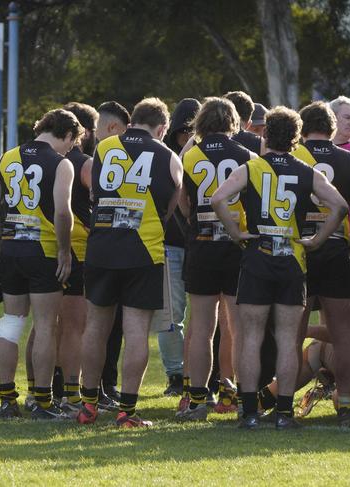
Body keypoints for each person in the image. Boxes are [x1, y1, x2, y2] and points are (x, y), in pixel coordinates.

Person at [211, 106, 348, 430]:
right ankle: (284, 413)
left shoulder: (252, 167)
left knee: (251, 336)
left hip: (258, 255)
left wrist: (235, 232)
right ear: (295, 138)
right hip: (291, 259)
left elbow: (218, 198)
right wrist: (316, 239)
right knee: (289, 339)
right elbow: (340, 205)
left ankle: (248, 412)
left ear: (267, 135)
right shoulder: (306, 170)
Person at [77, 97, 183, 428]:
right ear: (162, 128)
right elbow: (172, 207)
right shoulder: (168, 155)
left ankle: (88, 406)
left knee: (95, 327)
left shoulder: (105, 148)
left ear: (133, 120)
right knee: (136, 331)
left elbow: (94, 194)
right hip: (144, 250)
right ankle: (127, 411)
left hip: (102, 247)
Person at [0, 108, 81, 420]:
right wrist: (65, 252)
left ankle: (6, 400)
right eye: (71, 142)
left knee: (11, 324)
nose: (70, 149)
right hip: (44, 250)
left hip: (11, 249)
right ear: (65, 134)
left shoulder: (6, 157)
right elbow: (63, 212)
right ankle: (42, 402)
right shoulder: (61, 162)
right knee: (44, 326)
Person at [175, 97, 254, 421]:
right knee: (238, 328)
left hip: (202, 245)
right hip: (237, 247)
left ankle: (196, 399)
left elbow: (181, 202)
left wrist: (197, 221)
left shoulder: (190, 155)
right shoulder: (246, 155)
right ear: (233, 122)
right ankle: (237, 396)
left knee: (202, 327)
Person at [291, 101, 350, 424]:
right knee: (343, 333)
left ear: (302, 129)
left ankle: (281, 404)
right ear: (332, 128)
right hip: (335, 248)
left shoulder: (293, 157)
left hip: (300, 247)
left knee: (294, 332)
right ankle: (346, 403)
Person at [54, 102, 97, 417]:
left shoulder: (48, 160)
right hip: (76, 250)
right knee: (74, 326)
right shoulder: (83, 163)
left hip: (47, 248)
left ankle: (38, 390)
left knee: (44, 325)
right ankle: (70, 393)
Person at [157, 98, 201, 397]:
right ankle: (175, 374)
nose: (187, 137)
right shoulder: (167, 158)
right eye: (183, 132)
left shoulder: (204, 156)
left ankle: (200, 375)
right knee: (171, 317)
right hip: (172, 245)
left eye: (192, 131)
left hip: (200, 245)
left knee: (204, 316)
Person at [95, 100, 131, 409]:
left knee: (105, 325)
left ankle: (98, 388)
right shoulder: (90, 156)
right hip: (105, 248)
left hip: (100, 249)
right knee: (99, 325)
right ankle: (93, 390)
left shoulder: (102, 154)